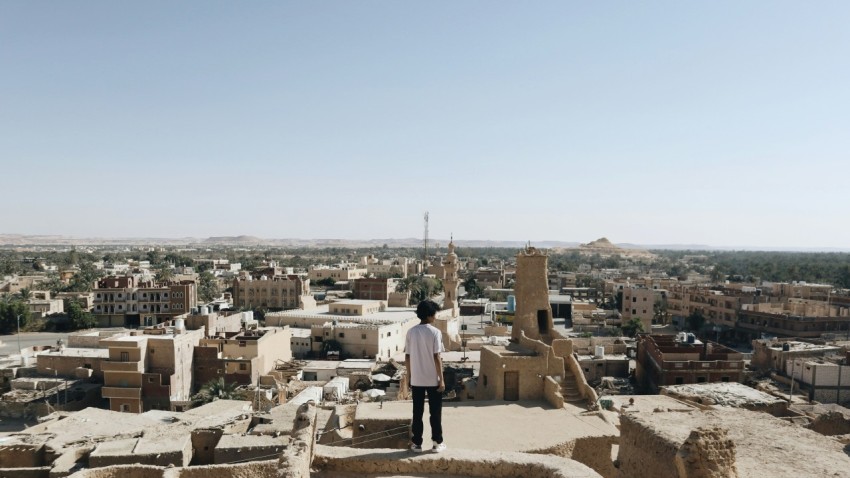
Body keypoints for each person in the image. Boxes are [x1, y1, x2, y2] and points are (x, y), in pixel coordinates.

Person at [405, 299, 446, 453]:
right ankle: (437, 442)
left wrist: (409, 378)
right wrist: (441, 380)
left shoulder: (411, 332)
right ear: (429, 315)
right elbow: (437, 357)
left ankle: (416, 444)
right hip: (432, 380)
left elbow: (407, 357)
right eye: (434, 313)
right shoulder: (435, 332)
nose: (435, 316)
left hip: (417, 380)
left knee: (417, 413)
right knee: (435, 413)